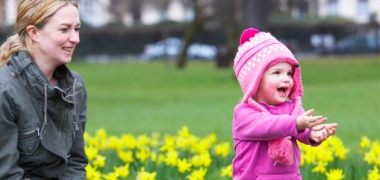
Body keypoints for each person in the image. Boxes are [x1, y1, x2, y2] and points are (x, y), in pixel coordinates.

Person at [232, 28, 337, 180]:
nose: (287, 78)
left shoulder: (292, 109)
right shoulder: (243, 113)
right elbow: (268, 126)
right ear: (255, 80)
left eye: (289, 73)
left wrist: (314, 134)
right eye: (277, 72)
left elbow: (302, 130)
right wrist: (297, 123)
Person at [0, 0, 88, 179]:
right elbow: (7, 175)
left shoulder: (74, 87)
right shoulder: (5, 91)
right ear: (34, 33)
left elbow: (76, 163)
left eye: (77, 29)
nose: (75, 39)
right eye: (64, 29)